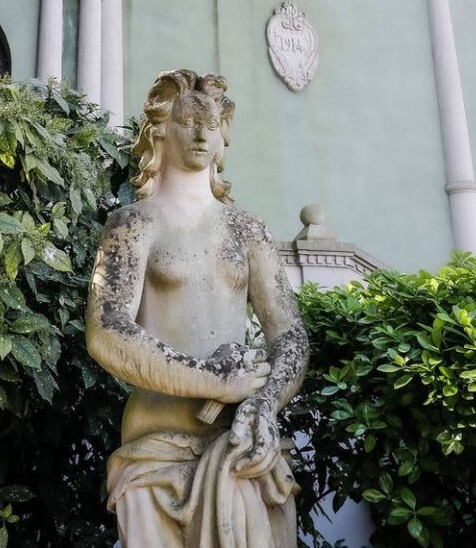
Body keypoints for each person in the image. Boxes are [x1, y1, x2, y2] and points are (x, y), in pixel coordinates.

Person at [86, 70, 309, 548]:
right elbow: (106, 331)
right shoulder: (133, 224)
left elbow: (289, 334)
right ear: (161, 130)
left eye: (212, 125)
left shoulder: (246, 229)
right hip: (156, 446)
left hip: (239, 446)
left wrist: (264, 402)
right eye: (189, 122)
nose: (202, 135)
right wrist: (212, 381)